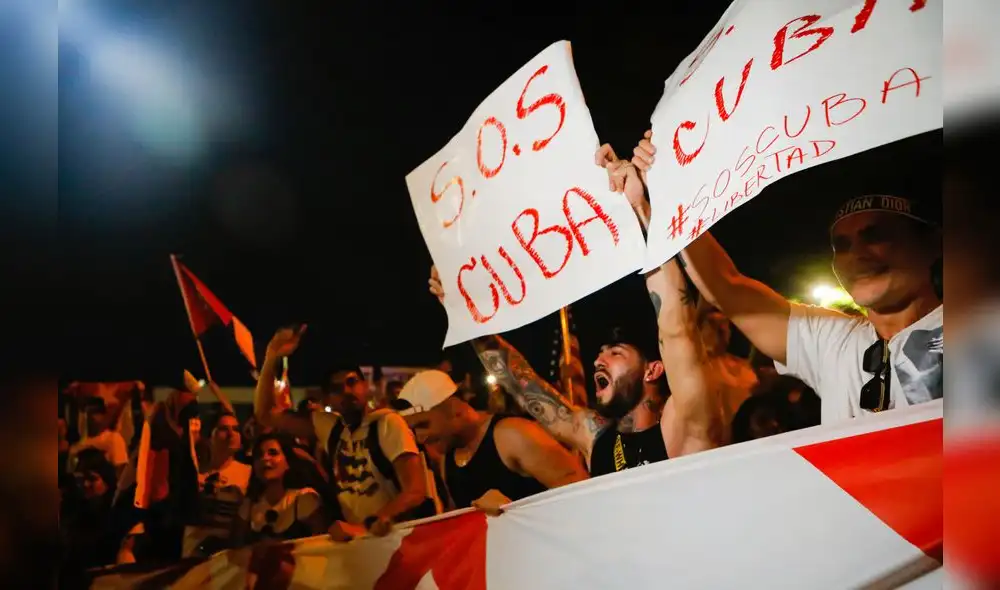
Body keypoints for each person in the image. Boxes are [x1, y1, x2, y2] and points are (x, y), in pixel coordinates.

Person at [629, 131, 943, 423]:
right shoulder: (831, 342)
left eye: (876, 236)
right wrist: (661, 191)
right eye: (842, 245)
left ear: (933, 242)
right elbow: (726, 286)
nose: (858, 255)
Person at [253, 326, 437, 542]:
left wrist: (364, 526)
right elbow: (265, 414)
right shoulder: (332, 428)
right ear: (327, 399)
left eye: (352, 382)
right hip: (362, 547)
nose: (347, 392)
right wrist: (272, 354)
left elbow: (415, 492)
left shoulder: (388, 423)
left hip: (399, 542)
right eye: (337, 388)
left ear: (365, 385)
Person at [395, 370, 588, 513]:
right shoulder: (450, 457)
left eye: (423, 424)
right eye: (413, 430)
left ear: (456, 410)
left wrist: (514, 509)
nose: (420, 437)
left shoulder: (511, 434)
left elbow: (579, 487)